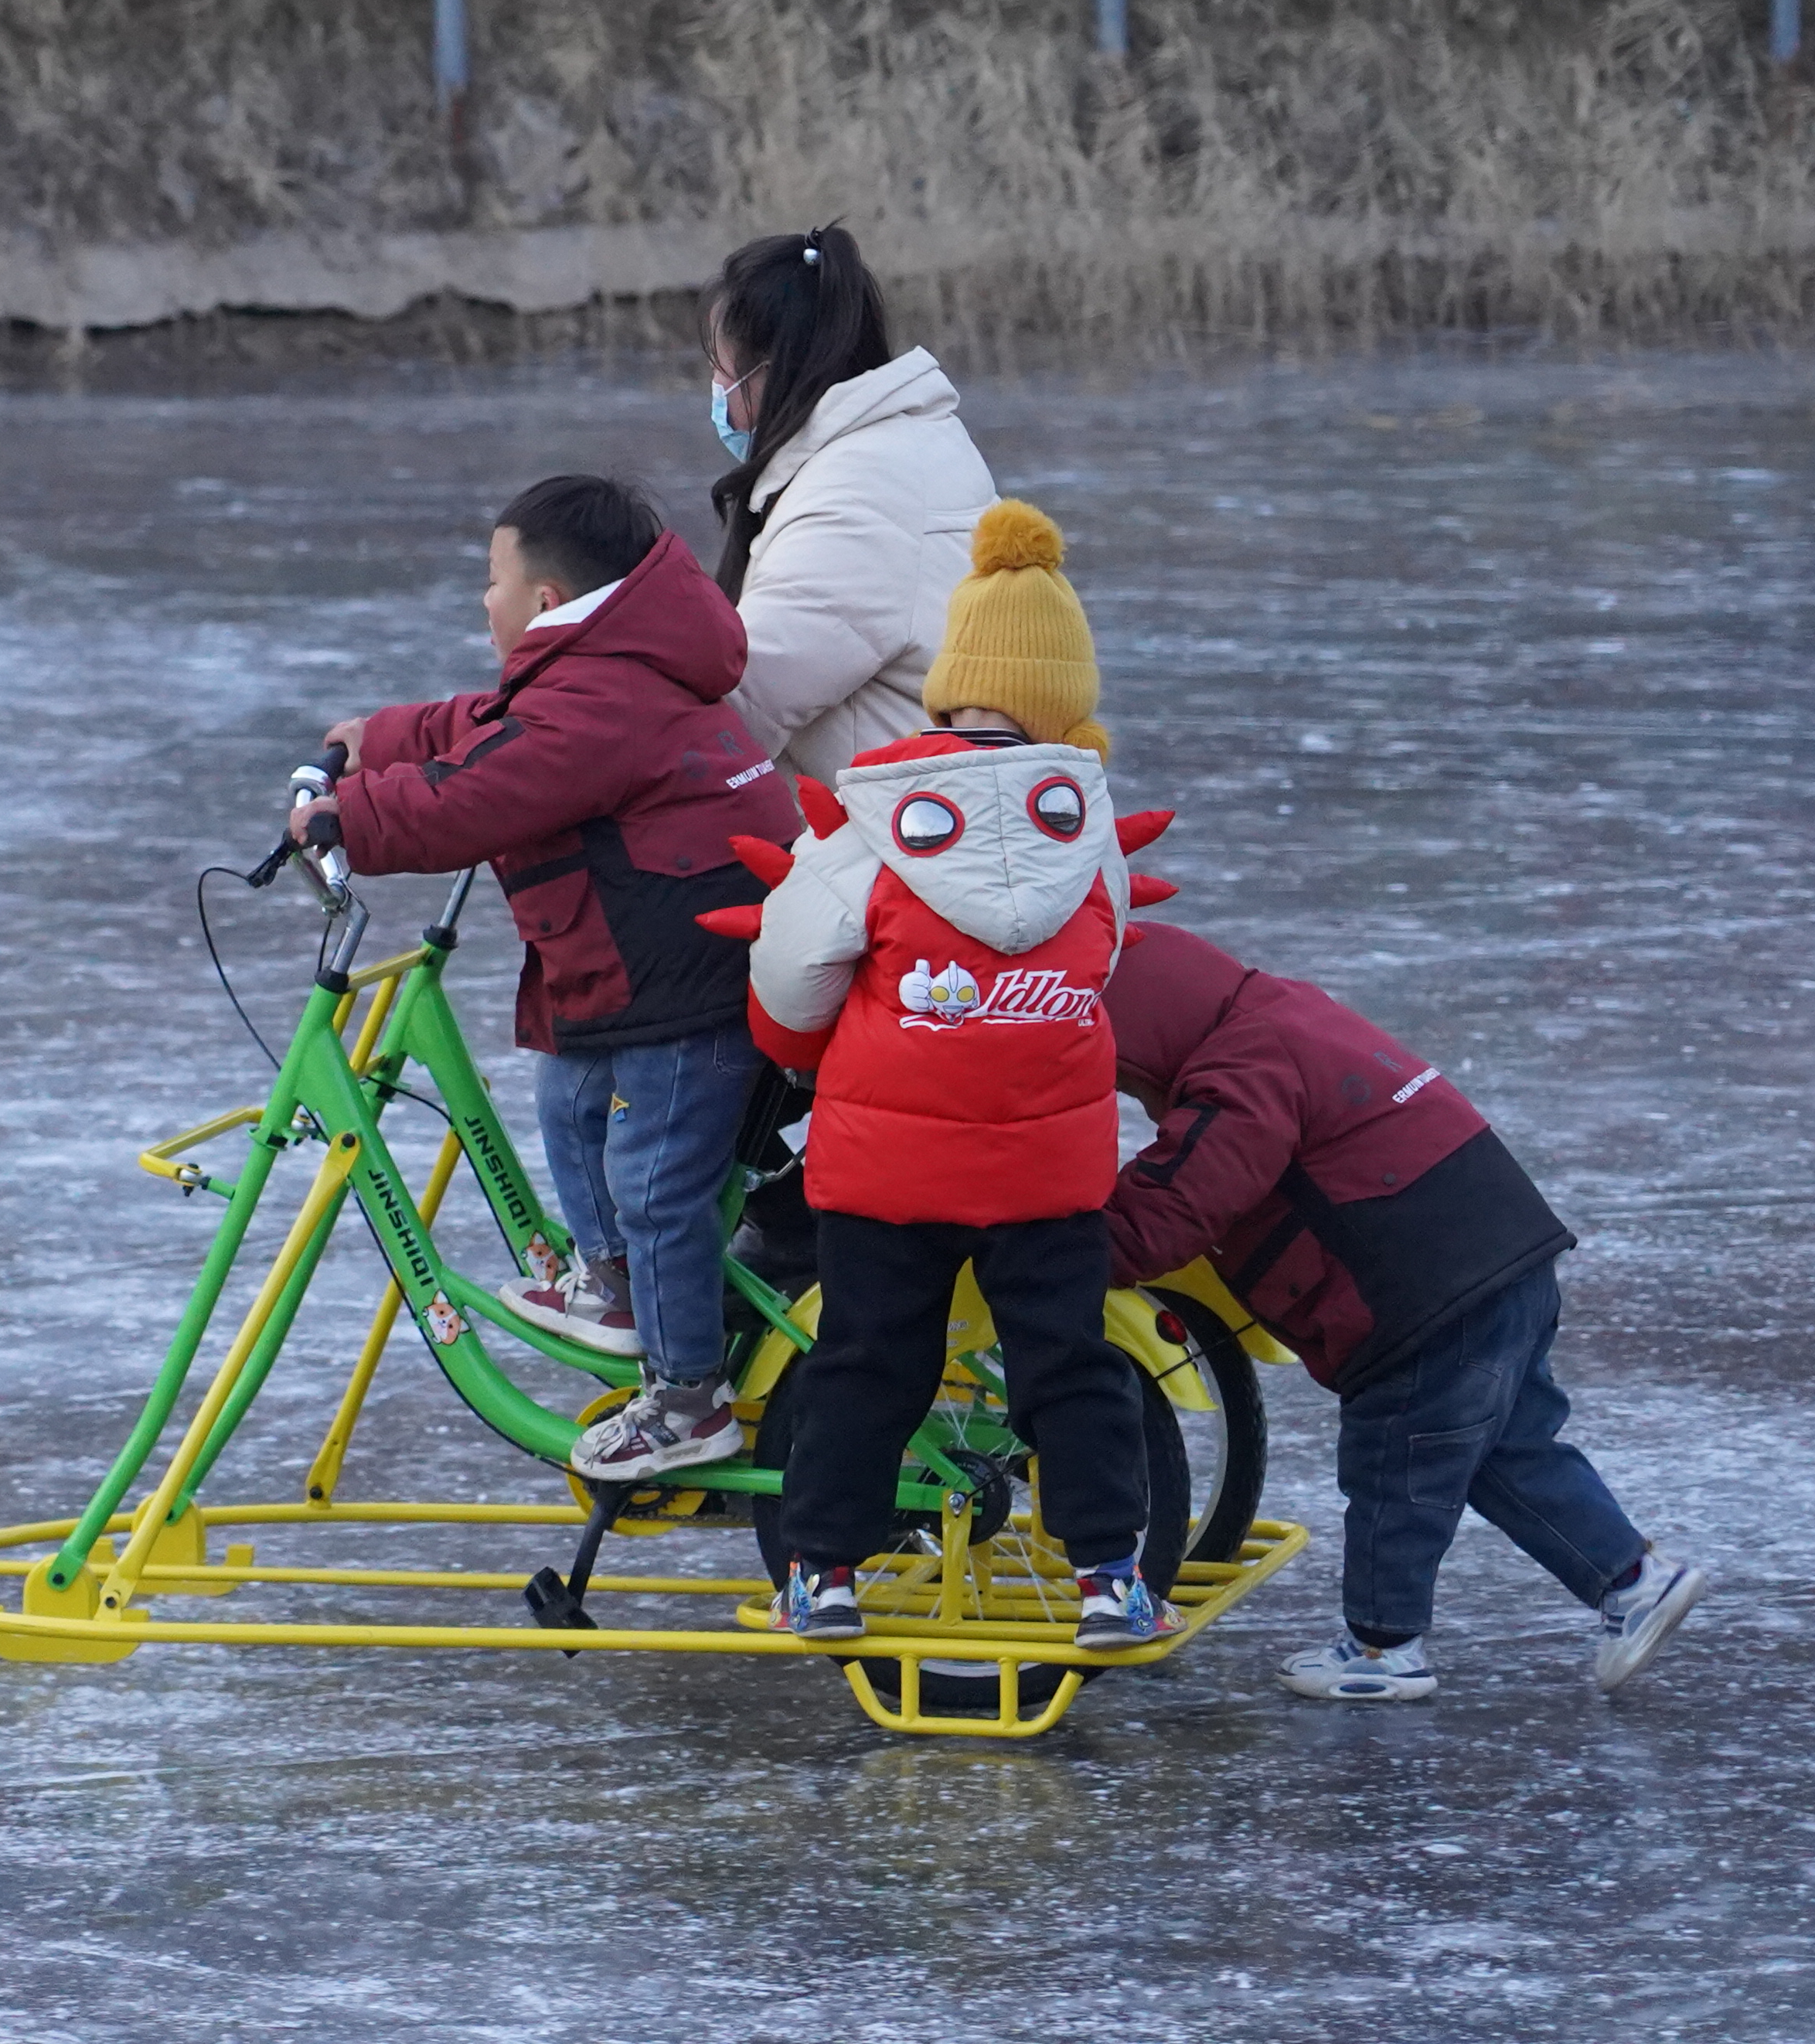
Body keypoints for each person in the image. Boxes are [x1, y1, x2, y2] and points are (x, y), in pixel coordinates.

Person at [743, 499, 1171, 1649]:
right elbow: (1104, 961)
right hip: (1047, 1171)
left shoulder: (873, 822)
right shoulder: (1088, 834)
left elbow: (792, 977)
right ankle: (1107, 1578)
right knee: (1068, 1365)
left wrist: (817, 1047)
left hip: (885, 1169)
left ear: (949, 690)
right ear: (1065, 701)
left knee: (867, 1362)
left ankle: (823, 1573)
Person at [291, 475, 778, 1481]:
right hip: (652, 967)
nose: (484, 599)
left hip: (690, 986)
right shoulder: (607, 667)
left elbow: (479, 791)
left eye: (492, 578)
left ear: (546, 599)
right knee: (569, 1091)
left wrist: (347, 818)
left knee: (657, 1186)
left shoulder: (600, 696)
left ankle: (689, 1399)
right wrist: (378, 739)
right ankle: (616, 1283)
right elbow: (491, 725)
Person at [1102, 921, 1711, 1701]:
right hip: (1506, 1261)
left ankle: (1382, 1648)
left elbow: (1182, 1200)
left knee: (1395, 1471)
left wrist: (1064, 1251)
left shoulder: (1242, 1074)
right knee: (1508, 1449)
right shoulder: (1280, 1013)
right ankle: (1634, 1580)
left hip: (1423, 1301)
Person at [693, 225, 1000, 1301]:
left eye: (720, 368)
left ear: (770, 370)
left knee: (676, 1010)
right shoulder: (879, 452)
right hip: (922, 841)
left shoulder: (861, 489)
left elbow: (740, 700)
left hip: (917, 872)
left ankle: (702, 1289)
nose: (715, 394)